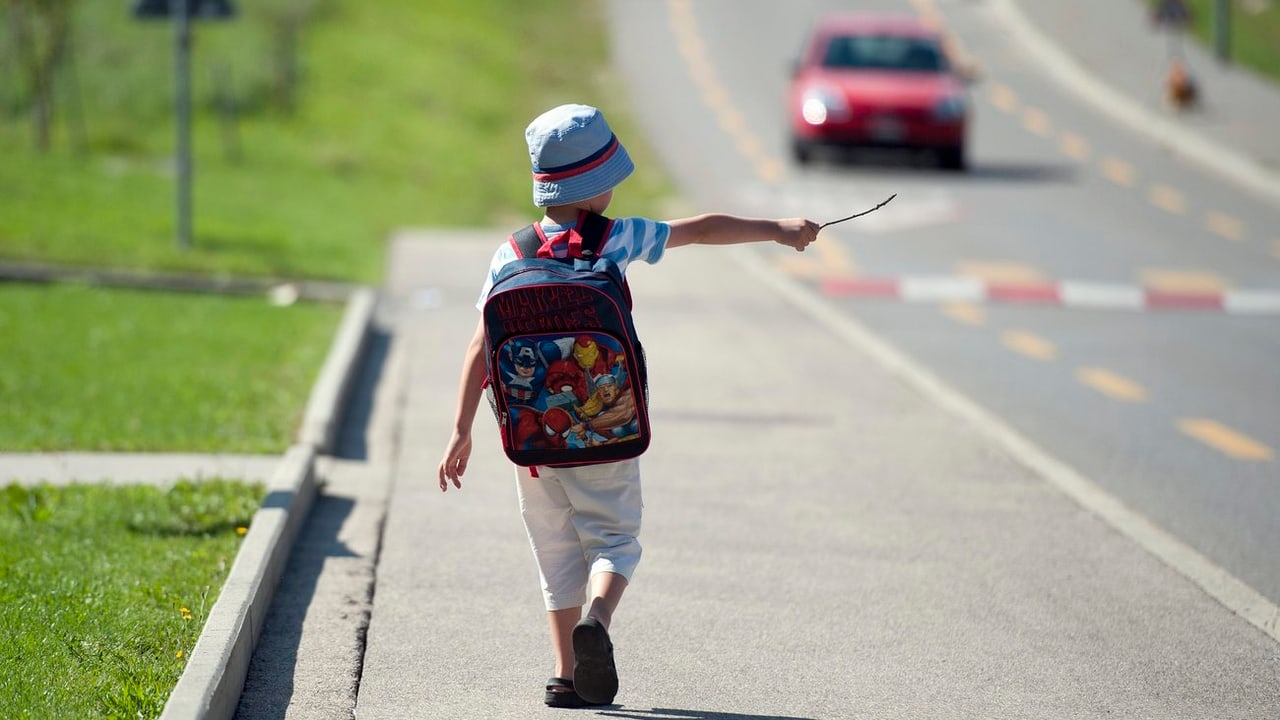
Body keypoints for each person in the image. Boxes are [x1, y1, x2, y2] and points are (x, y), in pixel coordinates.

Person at [436, 103, 819, 709]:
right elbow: (697, 229)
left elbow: (481, 343)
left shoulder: (510, 253)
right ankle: (600, 618)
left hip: (531, 441)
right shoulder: (615, 238)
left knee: (554, 551)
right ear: (594, 187)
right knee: (614, 539)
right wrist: (778, 228)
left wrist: (461, 429)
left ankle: (565, 677)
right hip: (607, 428)